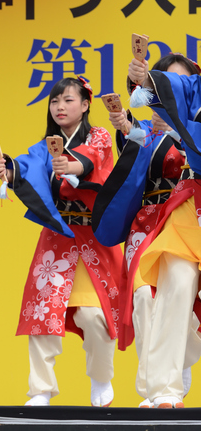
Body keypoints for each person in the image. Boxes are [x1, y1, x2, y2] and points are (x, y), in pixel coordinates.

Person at [0, 77, 122, 407]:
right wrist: (6, 171)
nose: (60, 107)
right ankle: (40, 390)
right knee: (42, 315)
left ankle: (101, 377)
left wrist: (71, 165)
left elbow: (90, 159)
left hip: (94, 238)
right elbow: (28, 165)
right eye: (54, 102)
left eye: (67, 100)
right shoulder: (46, 145)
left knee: (95, 317)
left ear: (86, 104)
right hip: (58, 239)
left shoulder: (99, 135)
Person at [93, 53, 201, 407]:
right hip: (161, 218)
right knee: (152, 293)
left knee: (184, 300)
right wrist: (126, 123)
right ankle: (162, 388)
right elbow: (137, 150)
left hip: (183, 209)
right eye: (164, 83)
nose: (171, 92)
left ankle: (177, 364)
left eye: (174, 83)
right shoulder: (153, 134)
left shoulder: (184, 133)